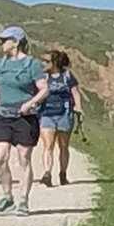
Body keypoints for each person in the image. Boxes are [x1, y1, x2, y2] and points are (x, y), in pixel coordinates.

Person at [0, 26, 49, 216]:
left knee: (24, 159)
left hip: (24, 117)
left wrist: (31, 103)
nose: (1, 43)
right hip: (3, 115)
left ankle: (23, 200)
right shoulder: (0, 65)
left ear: (16, 42)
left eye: (5, 40)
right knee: (1, 156)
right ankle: (7, 196)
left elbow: (44, 89)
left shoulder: (31, 65)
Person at [37, 47, 82, 187]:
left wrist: (78, 108)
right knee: (47, 145)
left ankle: (63, 173)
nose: (43, 63)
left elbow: (75, 93)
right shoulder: (43, 77)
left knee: (63, 146)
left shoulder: (67, 76)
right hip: (46, 114)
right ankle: (47, 173)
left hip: (64, 113)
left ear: (55, 63)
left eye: (46, 61)